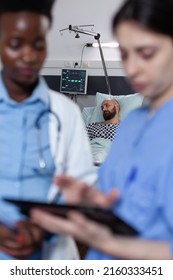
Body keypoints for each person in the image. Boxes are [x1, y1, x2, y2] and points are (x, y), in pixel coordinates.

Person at [31, 0, 173, 260]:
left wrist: (109, 244)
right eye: (125, 55)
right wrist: (91, 200)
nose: (131, 69)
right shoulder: (133, 124)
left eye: (147, 53)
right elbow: (124, 203)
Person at [0, 0, 96, 260]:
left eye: (38, 44)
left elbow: (81, 187)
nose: (29, 56)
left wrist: (43, 228)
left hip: (49, 256)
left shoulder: (66, 113)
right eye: (15, 44)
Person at [86, 98, 120, 164]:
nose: (104, 109)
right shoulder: (92, 126)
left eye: (107, 105)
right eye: (102, 107)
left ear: (117, 107)